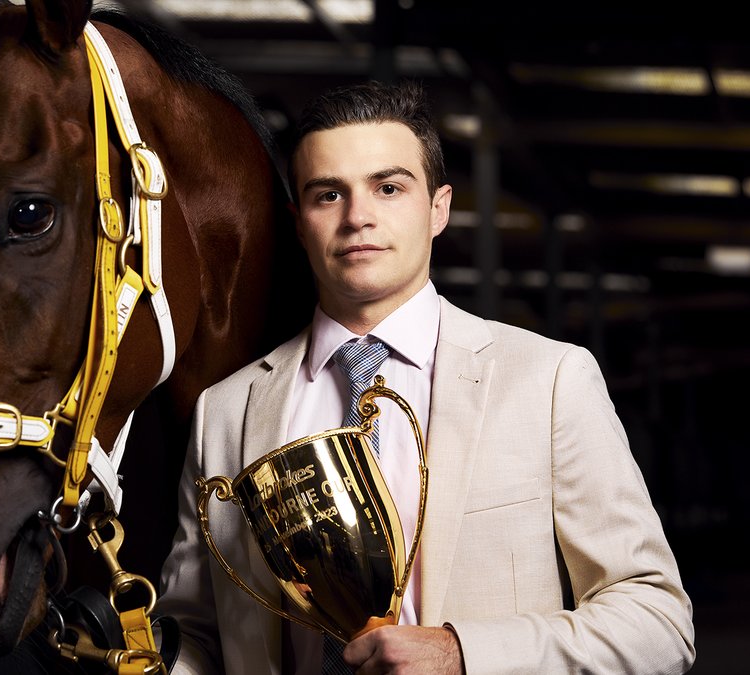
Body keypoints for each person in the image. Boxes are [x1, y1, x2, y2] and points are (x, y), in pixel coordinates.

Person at [156, 80, 695, 674]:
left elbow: (658, 623)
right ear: (298, 220)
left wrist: (462, 654)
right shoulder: (226, 412)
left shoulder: (548, 381)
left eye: (388, 187)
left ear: (438, 208)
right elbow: (195, 634)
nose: (358, 217)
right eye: (327, 194)